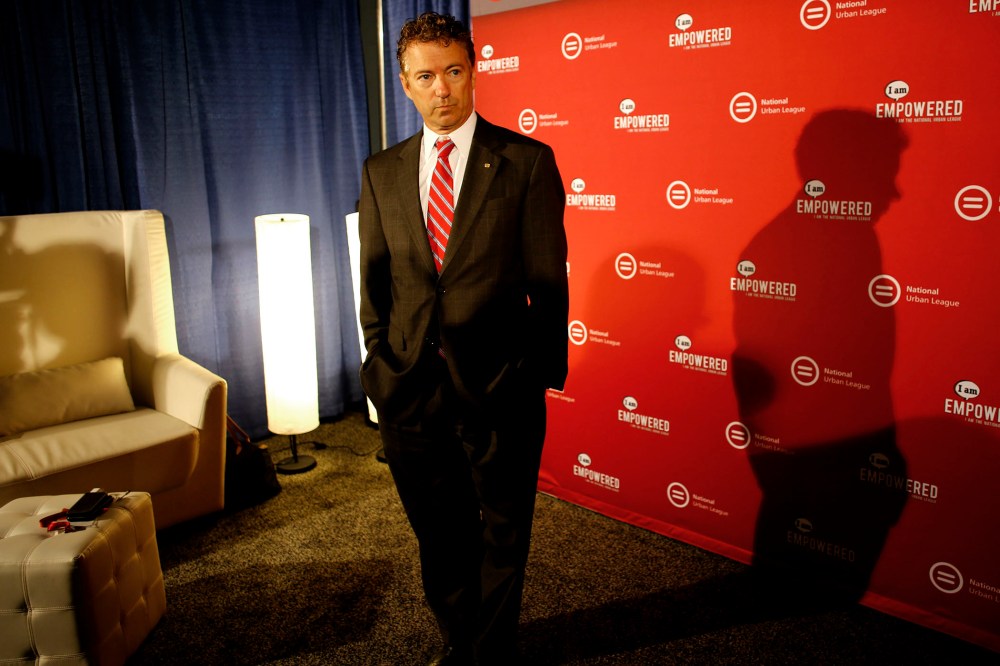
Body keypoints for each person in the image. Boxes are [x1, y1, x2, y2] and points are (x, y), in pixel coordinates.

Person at [357, 12, 568, 666]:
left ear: (473, 71)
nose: (441, 88)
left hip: (500, 387)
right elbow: (375, 285)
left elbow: (548, 286)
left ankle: (488, 651)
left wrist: (532, 372)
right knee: (439, 534)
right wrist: (381, 368)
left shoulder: (526, 163)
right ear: (406, 84)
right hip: (412, 390)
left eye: (453, 71)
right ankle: (461, 637)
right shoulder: (381, 171)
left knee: (504, 532)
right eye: (426, 76)